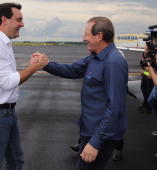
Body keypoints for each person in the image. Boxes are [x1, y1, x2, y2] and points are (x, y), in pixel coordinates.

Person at [32, 17, 128, 170]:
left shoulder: (112, 63)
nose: (84, 39)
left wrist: (96, 142)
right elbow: (72, 70)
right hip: (91, 129)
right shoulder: (95, 57)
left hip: (100, 133)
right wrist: (46, 64)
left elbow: (115, 107)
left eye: (86, 35)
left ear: (99, 36)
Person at [0, 2, 48, 170]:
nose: (22, 24)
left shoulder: (2, 43)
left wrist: (31, 66)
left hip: (4, 113)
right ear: (4, 19)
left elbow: (6, 77)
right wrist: (35, 67)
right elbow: (8, 82)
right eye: (19, 20)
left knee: (15, 161)